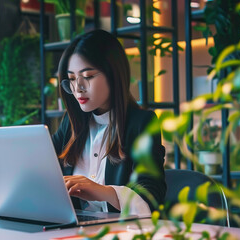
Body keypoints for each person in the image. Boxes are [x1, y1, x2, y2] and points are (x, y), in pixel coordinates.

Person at [52, 29, 166, 217]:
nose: (78, 88)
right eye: (72, 79)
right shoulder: (71, 124)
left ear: (113, 75)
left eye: (87, 76)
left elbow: (151, 196)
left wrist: (104, 192)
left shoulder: (141, 123)